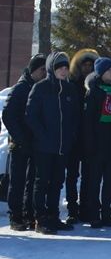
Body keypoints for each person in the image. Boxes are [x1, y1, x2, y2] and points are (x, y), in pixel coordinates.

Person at [25, 52, 79, 234]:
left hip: (63, 147)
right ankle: (41, 219)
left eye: (66, 67)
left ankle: (53, 216)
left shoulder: (70, 90)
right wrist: (43, 136)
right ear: (51, 68)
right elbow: (31, 116)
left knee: (57, 182)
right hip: (44, 146)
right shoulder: (41, 88)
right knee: (42, 183)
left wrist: (70, 137)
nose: (63, 71)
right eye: (60, 67)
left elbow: (74, 118)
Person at [2, 53, 47, 230]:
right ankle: (16, 216)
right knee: (18, 181)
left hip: (34, 142)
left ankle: (29, 214)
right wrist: (20, 138)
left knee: (32, 181)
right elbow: (8, 116)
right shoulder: (20, 88)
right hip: (19, 143)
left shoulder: (39, 87)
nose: (45, 73)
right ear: (33, 70)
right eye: (42, 70)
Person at [80, 57, 111, 228]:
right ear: (100, 73)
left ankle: (106, 213)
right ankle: (94, 214)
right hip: (97, 145)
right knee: (94, 182)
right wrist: (89, 144)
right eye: (108, 70)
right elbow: (88, 122)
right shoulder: (93, 92)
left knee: (109, 182)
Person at [64, 48, 98, 223]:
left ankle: (86, 207)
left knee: (89, 175)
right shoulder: (71, 85)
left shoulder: (96, 87)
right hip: (73, 138)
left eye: (90, 64)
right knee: (72, 176)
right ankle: (72, 209)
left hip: (90, 138)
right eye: (84, 64)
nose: (87, 68)